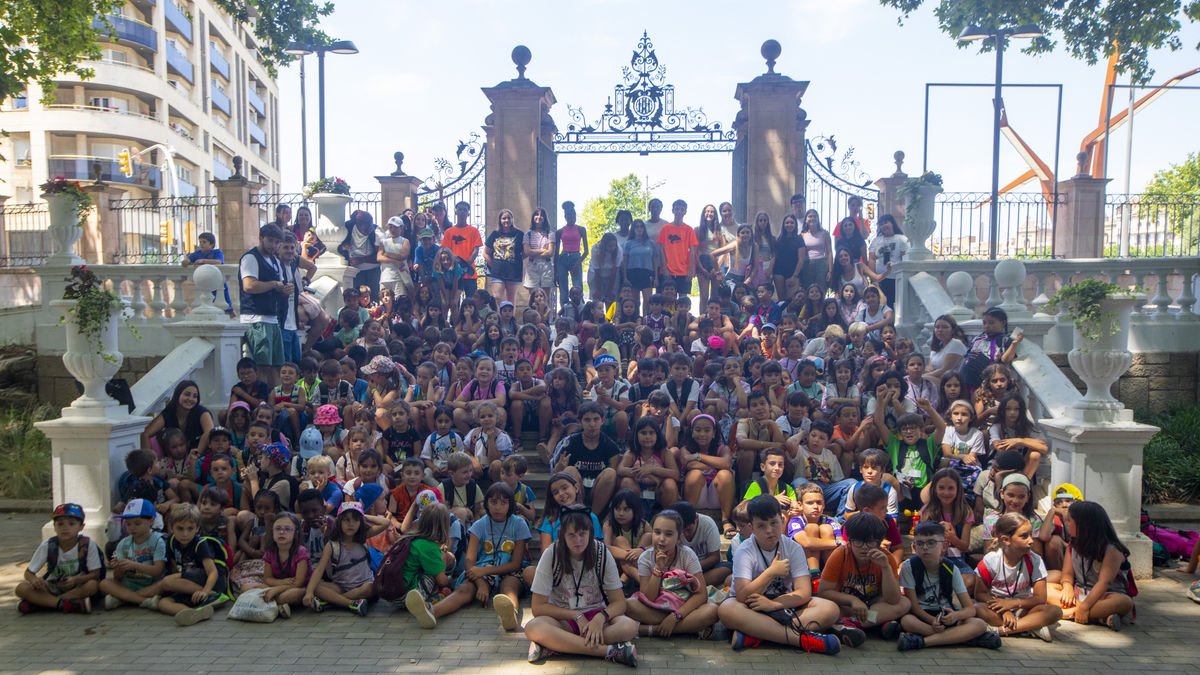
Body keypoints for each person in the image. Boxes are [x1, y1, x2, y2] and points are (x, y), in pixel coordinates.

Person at [717, 495, 841, 654]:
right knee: (726, 609)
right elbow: (741, 596)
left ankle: (757, 634)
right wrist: (771, 572)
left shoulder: (793, 548)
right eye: (761, 526)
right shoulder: (744, 550)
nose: (769, 530)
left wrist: (774, 605)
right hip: (752, 606)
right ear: (751, 527)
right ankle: (803, 640)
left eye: (774, 523)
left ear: (783, 521)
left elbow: (804, 592)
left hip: (783, 606)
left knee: (830, 609)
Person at [525, 506, 639, 666]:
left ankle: (557, 646)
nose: (577, 540)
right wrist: (576, 616)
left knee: (629, 626)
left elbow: (619, 602)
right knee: (534, 627)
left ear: (590, 533)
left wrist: (601, 618)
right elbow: (538, 607)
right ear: (562, 535)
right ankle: (610, 651)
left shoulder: (602, 553)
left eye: (582, 534)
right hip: (563, 618)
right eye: (571, 535)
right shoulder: (552, 554)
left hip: (596, 617)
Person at [896, 520, 999, 651]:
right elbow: (914, 606)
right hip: (922, 616)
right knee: (907, 621)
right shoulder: (909, 567)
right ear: (914, 548)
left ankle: (923, 641)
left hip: (947, 615)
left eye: (931, 543)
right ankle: (963, 638)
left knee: (979, 624)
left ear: (944, 546)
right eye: (920, 543)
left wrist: (955, 616)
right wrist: (932, 620)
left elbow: (969, 609)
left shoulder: (952, 569)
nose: (925, 548)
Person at [626, 509, 720, 638]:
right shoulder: (645, 558)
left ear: (679, 537)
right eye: (657, 532)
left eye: (669, 534)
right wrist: (658, 569)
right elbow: (648, 597)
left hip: (683, 607)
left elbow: (701, 594)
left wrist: (675, 616)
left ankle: (651, 630)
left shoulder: (687, 555)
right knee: (628, 605)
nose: (662, 539)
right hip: (655, 607)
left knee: (712, 611)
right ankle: (685, 628)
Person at [816, 513, 909, 642]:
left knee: (904, 603)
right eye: (859, 542)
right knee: (831, 609)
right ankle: (878, 623)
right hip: (848, 607)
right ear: (850, 540)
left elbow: (893, 599)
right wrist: (852, 600)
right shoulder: (841, 554)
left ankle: (851, 624)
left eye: (870, 542)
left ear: (878, 542)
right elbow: (823, 592)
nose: (864, 547)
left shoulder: (885, 558)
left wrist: (885, 568)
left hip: (874, 605)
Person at [1048, 500, 1135, 631]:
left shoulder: (1112, 550)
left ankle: (1067, 613)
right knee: (1045, 588)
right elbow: (1067, 574)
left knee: (1124, 602)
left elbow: (1104, 583)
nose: (1067, 524)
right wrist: (1067, 587)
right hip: (1079, 593)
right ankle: (1100, 617)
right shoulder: (1073, 545)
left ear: (1084, 525)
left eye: (1070, 520)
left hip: (1105, 595)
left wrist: (1085, 606)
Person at [974, 513, 1062, 641]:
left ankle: (1001, 631)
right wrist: (1004, 610)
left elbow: (1040, 598)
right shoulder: (990, 561)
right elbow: (980, 594)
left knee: (1055, 612)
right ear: (1006, 540)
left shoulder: (1035, 560)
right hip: (998, 610)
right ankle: (1030, 626)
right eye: (1024, 536)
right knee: (977, 609)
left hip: (1024, 608)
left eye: (1031, 535)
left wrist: (1012, 604)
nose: (1031, 540)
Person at [15, 503, 103, 614]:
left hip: (77, 586)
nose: (65, 528)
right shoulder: (48, 545)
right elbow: (28, 573)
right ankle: (65, 605)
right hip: (53, 586)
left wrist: (76, 580)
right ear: (54, 527)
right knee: (21, 588)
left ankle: (43, 604)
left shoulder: (87, 544)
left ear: (81, 527)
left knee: (92, 585)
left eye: (71, 524)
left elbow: (95, 574)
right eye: (60, 524)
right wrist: (35, 580)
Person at [238, 223, 289, 385]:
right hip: (256, 318)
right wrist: (274, 284)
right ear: (261, 238)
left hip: (273, 318)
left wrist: (284, 290)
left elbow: (277, 285)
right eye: (270, 241)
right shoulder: (250, 258)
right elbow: (249, 285)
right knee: (262, 366)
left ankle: (275, 401)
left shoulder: (275, 260)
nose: (274, 245)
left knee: (276, 366)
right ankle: (262, 400)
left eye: (276, 242)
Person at [141, 379, 214, 453]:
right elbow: (145, 434)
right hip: (174, 458)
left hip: (199, 457)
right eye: (187, 394)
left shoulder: (202, 412)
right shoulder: (169, 412)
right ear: (178, 394)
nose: (191, 399)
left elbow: (209, 432)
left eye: (195, 396)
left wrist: (196, 454)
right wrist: (149, 460)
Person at [441, 201, 484, 304]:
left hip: (469, 273)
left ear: (468, 213)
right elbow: (445, 250)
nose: (462, 212)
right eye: (459, 209)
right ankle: (454, 320)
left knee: (471, 301)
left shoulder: (474, 231)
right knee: (454, 302)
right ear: (455, 212)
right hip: (453, 272)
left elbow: (476, 249)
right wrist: (454, 262)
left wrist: (467, 263)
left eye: (465, 210)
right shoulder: (449, 232)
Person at [657, 199, 699, 296]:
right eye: (677, 209)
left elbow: (693, 251)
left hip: (684, 272)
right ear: (673, 210)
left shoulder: (689, 230)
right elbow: (661, 250)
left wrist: (691, 271)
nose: (679, 212)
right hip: (668, 271)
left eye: (681, 209)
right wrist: (664, 269)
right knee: (667, 300)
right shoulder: (665, 228)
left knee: (682, 301)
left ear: (685, 212)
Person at [182, 231, 232, 312]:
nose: (201, 244)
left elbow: (219, 261)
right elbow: (187, 261)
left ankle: (229, 312)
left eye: (204, 242)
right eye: (200, 242)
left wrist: (203, 261)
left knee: (223, 299)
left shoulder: (217, 252)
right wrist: (187, 261)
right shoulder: (196, 254)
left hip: (217, 280)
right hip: (204, 281)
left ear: (211, 244)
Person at [864, 214, 908, 305]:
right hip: (881, 279)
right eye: (881, 224)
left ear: (892, 223)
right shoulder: (876, 241)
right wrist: (874, 278)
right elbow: (872, 259)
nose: (884, 226)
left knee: (896, 305)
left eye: (886, 223)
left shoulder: (902, 239)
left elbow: (905, 259)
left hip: (896, 279)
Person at [338, 210, 381, 301]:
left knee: (374, 297)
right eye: (366, 226)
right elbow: (337, 246)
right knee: (357, 297)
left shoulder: (376, 232)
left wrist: (361, 260)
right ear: (358, 224)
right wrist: (343, 247)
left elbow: (380, 257)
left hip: (373, 269)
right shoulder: (348, 228)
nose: (368, 229)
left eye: (370, 225)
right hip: (355, 270)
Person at [485, 208, 524, 305]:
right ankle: (497, 319)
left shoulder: (519, 234)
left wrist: (516, 261)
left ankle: (511, 320)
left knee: (510, 300)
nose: (506, 220)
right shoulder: (495, 234)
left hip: (513, 271)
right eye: (504, 218)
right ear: (500, 220)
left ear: (512, 219)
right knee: (497, 298)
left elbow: (525, 252)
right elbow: (485, 252)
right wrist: (493, 265)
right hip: (497, 271)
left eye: (508, 218)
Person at [554, 201, 588, 309]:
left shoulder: (581, 229)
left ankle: (579, 311)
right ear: (565, 216)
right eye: (568, 215)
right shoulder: (560, 231)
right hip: (563, 258)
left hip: (575, 257)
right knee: (563, 288)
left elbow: (586, 251)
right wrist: (555, 271)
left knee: (577, 287)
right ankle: (564, 313)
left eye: (573, 215)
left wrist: (578, 263)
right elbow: (556, 252)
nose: (571, 217)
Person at [523, 207, 555, 306]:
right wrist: (542, 250)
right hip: (532, 266)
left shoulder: (550, 234)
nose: (539, 217)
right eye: (537, 214)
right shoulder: (528, 234)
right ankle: (533, 318)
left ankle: (546, 319)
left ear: (545, 218)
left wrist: (534, 251)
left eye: (541, 215)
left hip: (546, 266)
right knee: (533, 296)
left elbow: (550, 253)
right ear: (533, 217)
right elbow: (527, 251)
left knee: (545, 296)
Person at [378, 215, 414, 299]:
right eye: (390, 227)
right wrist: (395, 261)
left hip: (399, 278)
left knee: (400, 302)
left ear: (401, 228)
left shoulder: (405, 241)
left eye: (395, 227)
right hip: (385, 277)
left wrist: (386, 254)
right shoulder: (383, 242)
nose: (392, 230)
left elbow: (402, 255)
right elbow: (379, 257)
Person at [800, 209, 833, 296]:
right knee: (807, 291)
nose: (812, 218)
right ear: (806, 220)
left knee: (821, 290)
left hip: (822, 264)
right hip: (807, 265)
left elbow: (829, 252)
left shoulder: (824, 234)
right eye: (810, 216)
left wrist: (830, 270)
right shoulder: (802, 235)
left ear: (818, 219)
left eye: (815, 216)